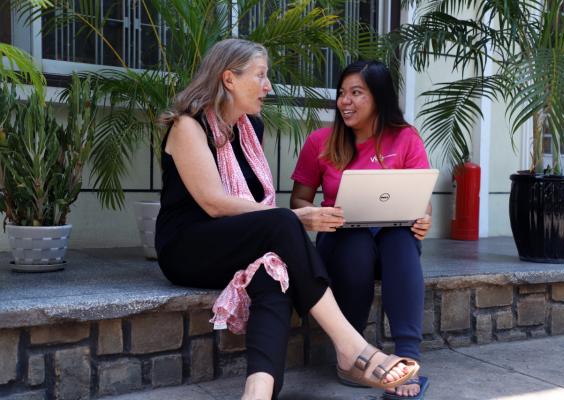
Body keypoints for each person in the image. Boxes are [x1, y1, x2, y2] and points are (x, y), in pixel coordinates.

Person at [154, 40, 419, 400]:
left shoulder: (251, 129)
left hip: (233, 241)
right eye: (261, 76)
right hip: (188, 246)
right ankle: (350, 346)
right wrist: (295, 217)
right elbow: (215, 203)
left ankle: (258, 392)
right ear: (229, 79)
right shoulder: (189, 126)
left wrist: (288, 219)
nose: (269, 87)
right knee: (283, 223)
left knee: (273, 273)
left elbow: (251, 206)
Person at [290, 60, 432, 399]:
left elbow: (421, 201)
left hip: (391, 244)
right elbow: (298, 200)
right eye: (342, 93)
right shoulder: (320, 142)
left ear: (379, 98)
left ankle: (408, 355)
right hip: (340, 241)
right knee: (354, 240)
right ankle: (351, 354)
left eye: (356, 93)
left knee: (400, 235)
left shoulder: (406, 139)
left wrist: (423, 218)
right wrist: (313, 214)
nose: (344, 101)